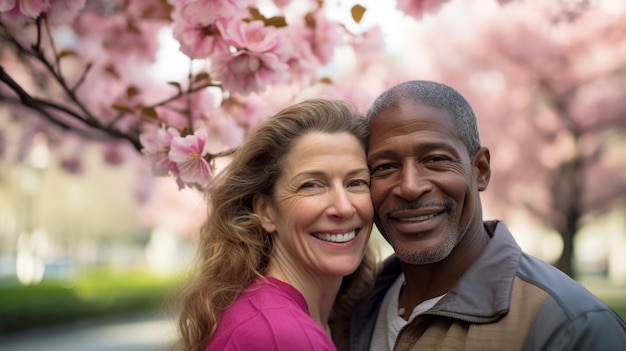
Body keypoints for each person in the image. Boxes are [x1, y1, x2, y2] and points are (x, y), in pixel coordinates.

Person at [347, 80, 626, 350]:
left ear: (480, 170)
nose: (409, 187)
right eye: (385, 166)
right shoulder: (351, 304)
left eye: (436, 160)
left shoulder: (570, 325)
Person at [174, 98, 379, 351]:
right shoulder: (281, 336)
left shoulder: (291, 318)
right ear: (266, 211)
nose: (344, 207)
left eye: (356, 182)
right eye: (311, 185)